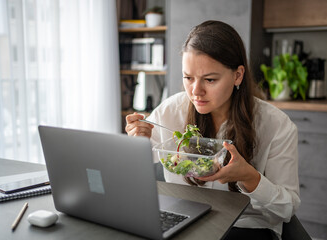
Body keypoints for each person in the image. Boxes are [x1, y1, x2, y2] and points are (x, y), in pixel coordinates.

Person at [125, 20, 300, 240]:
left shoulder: (276, 125)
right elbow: (135, 165)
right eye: (188, 78)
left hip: (247, 226)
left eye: (210, 79)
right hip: (185, 217)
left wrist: (251, 178)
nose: (196, 91)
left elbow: (287, 208)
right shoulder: (171, 110)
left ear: (237, 75)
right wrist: (136, 139)